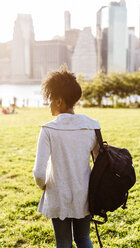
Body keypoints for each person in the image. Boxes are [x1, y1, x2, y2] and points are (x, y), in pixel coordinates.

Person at [33, 66, 100, 248]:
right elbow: (100, 163)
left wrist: (44, 186)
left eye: (50, 100)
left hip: (58, 194)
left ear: (59, 101)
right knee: (83, 238)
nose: (49, 104)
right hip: (84, 193)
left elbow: (39, 173)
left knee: (63, 242)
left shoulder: (48, 129)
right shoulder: (92, 126)